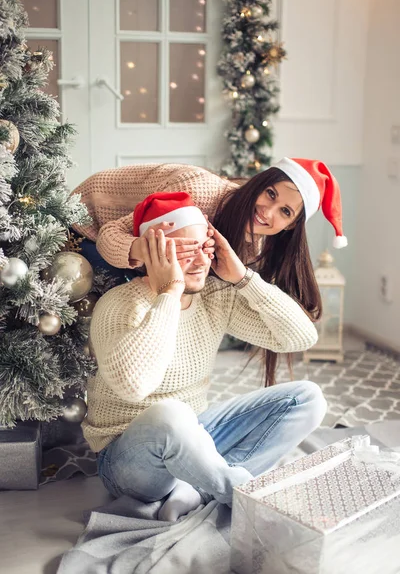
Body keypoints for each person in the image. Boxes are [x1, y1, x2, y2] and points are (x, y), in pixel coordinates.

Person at [83, 191, 327, 522]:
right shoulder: (120, 304)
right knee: (170, 415)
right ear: (152, 255)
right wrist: (169, 292)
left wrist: (243, 277)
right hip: (129, 460)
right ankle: (250, 499)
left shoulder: (214, 297)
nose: (200, 261)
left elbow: (300, 336)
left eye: (204, 247)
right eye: (184, 251)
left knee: (307, 398)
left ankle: (198, 490)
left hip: (196, 434)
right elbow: (134, 385)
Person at [72, 158, 347, 385]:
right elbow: (111, 234)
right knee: (126, 308)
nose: (268, 211)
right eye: (271, 194)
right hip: (87, 219)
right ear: (258, 183)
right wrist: (144, 250)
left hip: (128, 242)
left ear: (289, 226)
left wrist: (243, 277)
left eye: (285, 211)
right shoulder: (199, 192)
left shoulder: (249, 248)